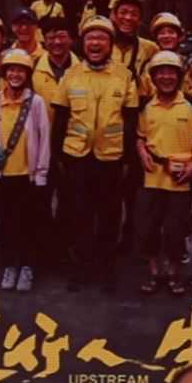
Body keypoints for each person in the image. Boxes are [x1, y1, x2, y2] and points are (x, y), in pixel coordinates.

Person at [55, 14, 134, 286]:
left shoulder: (125, 76)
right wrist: (58, 157)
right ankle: (81, 266)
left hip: (111, 158)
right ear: (83, 43)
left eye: (102, 38)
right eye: (91, 38)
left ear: (110, 44)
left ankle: (106, 267)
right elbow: (61, 118)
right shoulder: (71, 75)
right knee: (80, 214)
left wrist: (128, 160)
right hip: (77, 156)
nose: (96, 43)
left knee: (109, 215)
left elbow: (131, 120)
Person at [0, 50, 58, 296]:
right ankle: (9, 265)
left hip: (27, 175)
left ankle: (28, 266)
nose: (15, 74)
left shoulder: (36, 103)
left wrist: (41, 173)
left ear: (27, 74)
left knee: (29, 221)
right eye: (11, 70)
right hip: (1, 175)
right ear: (4, 73)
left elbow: (44, 139)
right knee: (5, 220)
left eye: (20, 70)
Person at [131, 48, 192, 294]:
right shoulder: (146, 106)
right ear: (153, 77)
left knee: (175, 229)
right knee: (148, 228)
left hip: (180, 179)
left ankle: (175, 273)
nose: (166, 77)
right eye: (160, 73)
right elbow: (140, 136)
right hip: (151, 177)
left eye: (171, 72)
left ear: (179, 76)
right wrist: (142, 152)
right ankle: (155, 273)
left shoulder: (191, 104)